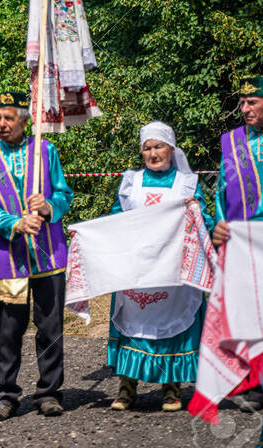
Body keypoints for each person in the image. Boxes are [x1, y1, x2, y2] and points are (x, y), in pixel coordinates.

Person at [0, 91, 73, 420]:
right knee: (9, 329)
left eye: (8, 118)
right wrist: (15, 222)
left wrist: (48, 206)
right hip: (8, 254)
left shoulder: (46, 151)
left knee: (50, 325)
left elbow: (63, 193)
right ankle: (5, 395)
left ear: (25, 120)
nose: (1, 124)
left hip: (47, 253)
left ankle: (48, 392)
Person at [106, 121, 214, 411]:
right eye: (147, 148)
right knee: (135, 324)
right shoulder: (131, 181)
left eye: (159, 146)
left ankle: (171, 388)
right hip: (138, 268)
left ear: (171, 149)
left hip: (173, 270)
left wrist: (196, 210)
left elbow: (207, 224)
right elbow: (116, 218)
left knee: (173, 321)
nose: (153, 153)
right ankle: (127, 388)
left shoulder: (187, 183)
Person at [211, 76, 263, 443]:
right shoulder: (231, 142)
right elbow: (221, 191)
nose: (244, 110)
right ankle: (251, 383)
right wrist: (218, 225)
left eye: (252, 102)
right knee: (247, 315)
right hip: (242, 248)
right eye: (241, 103)